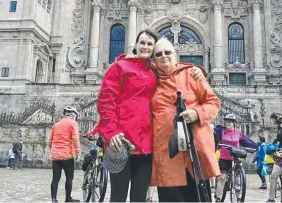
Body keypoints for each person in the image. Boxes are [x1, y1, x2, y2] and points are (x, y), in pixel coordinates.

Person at [97, 29, 204, 202]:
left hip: (146, 145)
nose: (145, 46)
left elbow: (174, 70)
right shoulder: (119, 67)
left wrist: (197, 70)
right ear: (135, 45)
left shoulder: (154, 70)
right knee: (118, 196)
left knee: (139, 197)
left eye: (149, 44)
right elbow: (106, 101)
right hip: (121, 141)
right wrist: (111, 132)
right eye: (142, 42)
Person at [150, 38, 221, 202]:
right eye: (158, 54)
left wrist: (197, 113)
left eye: (168, 52)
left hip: (194, 152)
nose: (164, 56)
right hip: (166, 153)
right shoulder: (149, 81)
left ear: (175, 55)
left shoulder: (191, 74)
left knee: (197, 197)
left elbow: (213, 103)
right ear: (153, 59)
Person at [214, 114, 257, 202]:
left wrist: (255, 147)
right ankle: (218, 198)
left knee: (237, 178)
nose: (228, 123)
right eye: (226, 121)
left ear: (234, 123)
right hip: (224, 157)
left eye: (230, 121)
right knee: (222, 177)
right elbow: (214, 138)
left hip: (235, 157)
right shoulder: (221, 131)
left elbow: (246, 141)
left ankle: (238, 197)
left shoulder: (238, 132)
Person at [49, 105, 81, 203]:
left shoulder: (55, 125)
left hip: (55, 156)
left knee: (55, 179)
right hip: (67, 156)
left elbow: (50, 141)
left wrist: (53, 151)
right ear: (73, 115)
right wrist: (78, 153)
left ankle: (54, 200)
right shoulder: (73, 123)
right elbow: (75, 139)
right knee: (69, 178)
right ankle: (68, 199)